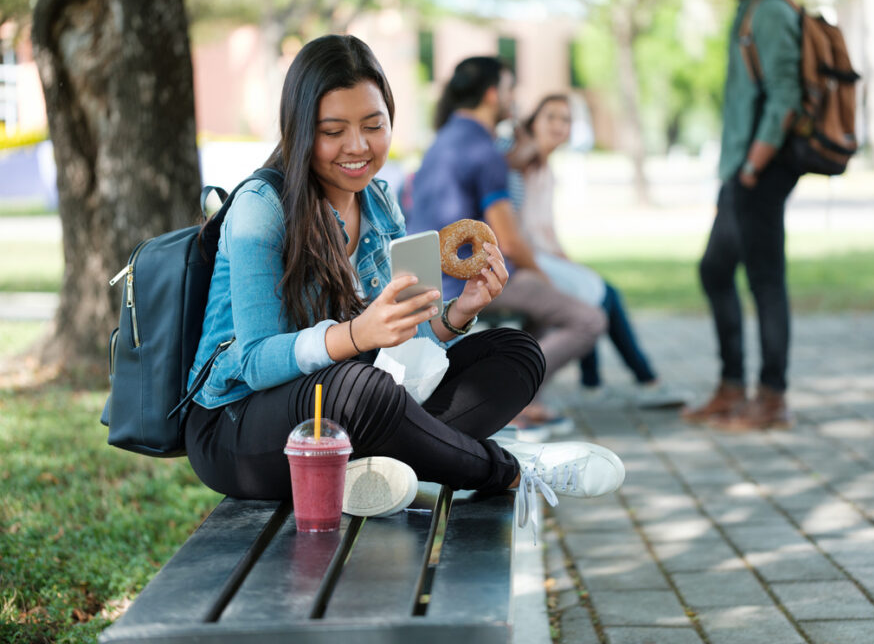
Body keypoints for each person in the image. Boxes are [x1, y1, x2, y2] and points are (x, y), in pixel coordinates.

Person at [184, 34, 624, 525]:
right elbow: (257, 361)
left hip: (355, 404)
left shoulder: (378, 201)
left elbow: (405, 345)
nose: (358, 146)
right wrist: (355, 336)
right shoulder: (261, 209)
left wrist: (458, 315)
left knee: (516, 352)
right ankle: (514, 469)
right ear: (300, 129)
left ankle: (369, 471)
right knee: (358, 387)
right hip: (237, 425)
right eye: (334, 131)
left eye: (374, 125)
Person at [406, 57, 607, 437]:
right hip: (466, 286)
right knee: (588, 319)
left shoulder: (444, 138)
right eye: (510, 88)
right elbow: (509, 240)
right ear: (493, 93)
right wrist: (542, 274)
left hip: (431, 278)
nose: (514, 98)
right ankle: (510, 402)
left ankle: (526, 400)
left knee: (544, 313)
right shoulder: (485, 150)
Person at [682, 0, 802, 430]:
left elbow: (786, 93)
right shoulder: (751, 10)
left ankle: (771, 398)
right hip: (742, 171)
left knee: (765, 281)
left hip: (762, 170)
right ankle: (733, 387)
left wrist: (752, 165)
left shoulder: (771, 12)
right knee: (715, 269)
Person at [505, 93, 661, 392]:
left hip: (545, 256)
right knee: (602, 297)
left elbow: (547, 231)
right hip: (527, 260)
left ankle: (599, 381)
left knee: (600, 292)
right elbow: (518, 228)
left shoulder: (547, 171)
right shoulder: (523, 160)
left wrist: (568, 261)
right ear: (533, 121)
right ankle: (640, 377)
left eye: (565, 119)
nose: (558, 125)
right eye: (550, 117)